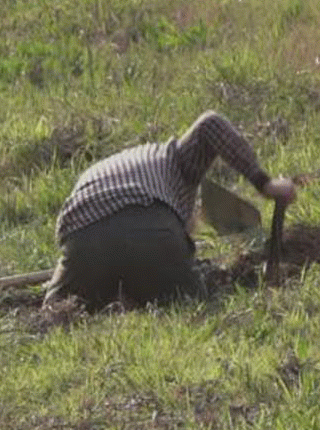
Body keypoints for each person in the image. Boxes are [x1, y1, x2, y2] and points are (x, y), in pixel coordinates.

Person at [46, 110, 296, 309]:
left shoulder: (101, 172)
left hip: (82, 241)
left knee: (57, 312)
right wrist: (265, 183)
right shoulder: (176, 161)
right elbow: (211, 124)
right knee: (192, 305)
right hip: (150, 229)